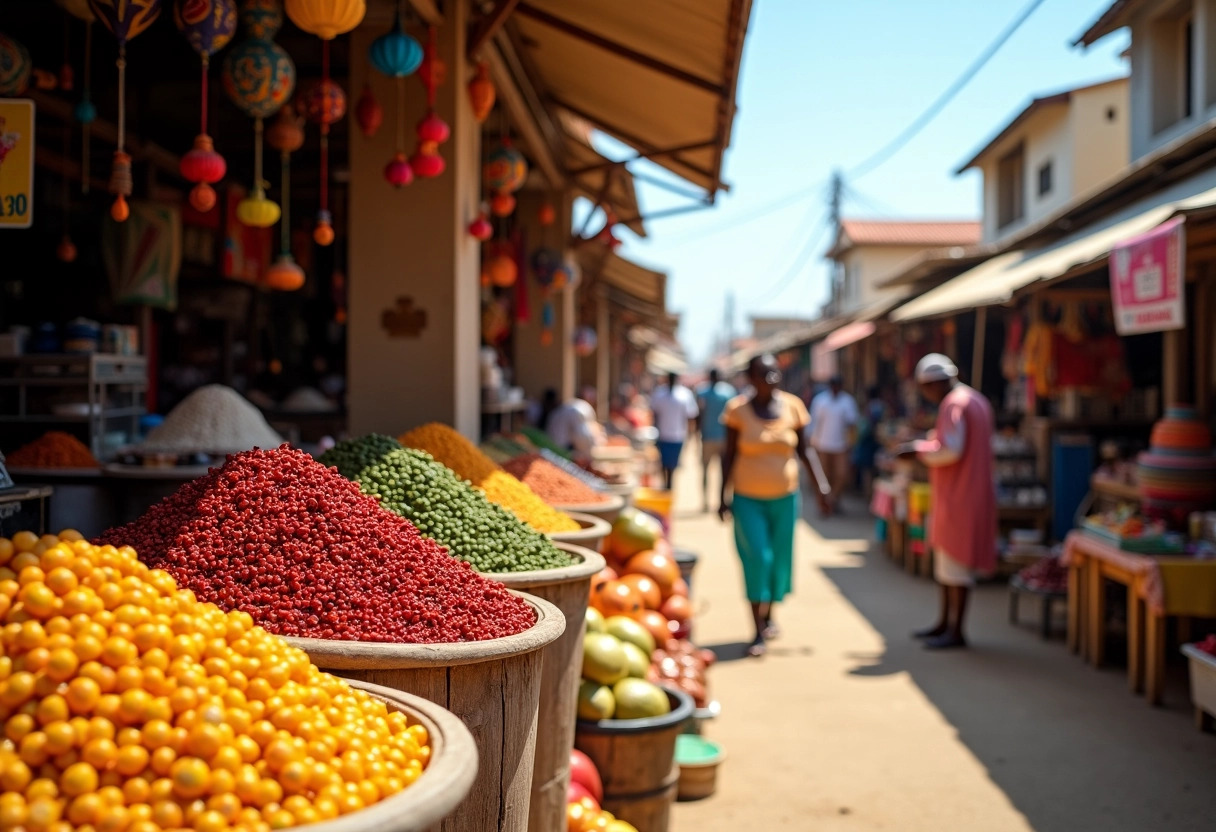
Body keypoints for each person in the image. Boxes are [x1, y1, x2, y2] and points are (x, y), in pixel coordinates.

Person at [719, 355, 815, 657]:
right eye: (763, 374)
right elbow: (729, 454)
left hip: (785, 498)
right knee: (757, 558)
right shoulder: (737, 411)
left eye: (773, 373)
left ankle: (770, 614)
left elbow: (805, 450)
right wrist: (721, 495)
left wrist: (823, 488)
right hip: (748, 498)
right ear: (750, 378)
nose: (770, 378)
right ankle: (757, 629)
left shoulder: (793, 407)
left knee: (778, 560)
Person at [900, 354, 997, 650]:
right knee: (947, 566)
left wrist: (917, 450)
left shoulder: (954, 403)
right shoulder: (976, 399)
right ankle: (945, 623)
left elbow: (950, 449)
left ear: (934, 383)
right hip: (966, 491)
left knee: (956, 568)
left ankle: (956, 631)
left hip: (960, 495)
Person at [808, 375, 858, 515]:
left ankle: (833, 500)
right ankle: (824, 504)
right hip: (822, 445)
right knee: (824, 477)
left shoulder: (847, 401)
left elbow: (852, 424)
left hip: (841, 446)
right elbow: (814, 423)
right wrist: (812, 442)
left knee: (841, 475)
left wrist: (851, 442)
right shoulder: (820, 401)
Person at [695, 369, 737, 513]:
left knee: (708, 470)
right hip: (722, 438)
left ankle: (707, 501)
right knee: (722, 470)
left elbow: (699, 416)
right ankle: (721, 499)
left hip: (710, 437)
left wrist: (696, 434)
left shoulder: (702, 392)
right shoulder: (728, 392)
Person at [650, 372, 698, 489]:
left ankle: (669, 485)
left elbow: (690, 416)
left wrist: (690, 434)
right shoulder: (659, 393)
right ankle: (665, 485)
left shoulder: (685, 394)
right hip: (663, 434)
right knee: (663, 462)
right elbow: (653, 413)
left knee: (672, 464)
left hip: (678, 435)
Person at [545, 389, 602, 459]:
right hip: (564, 450)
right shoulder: (582, 408)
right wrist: (588, 454)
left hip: (550, 448)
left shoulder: (568, 406)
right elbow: (582, 436)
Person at [852, 385, 887, 495]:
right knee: (873, 469)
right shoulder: (881, 406)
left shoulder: (871, 407)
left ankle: (869, 493)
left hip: (868, 441)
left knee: (867, 469)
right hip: (874, 441)